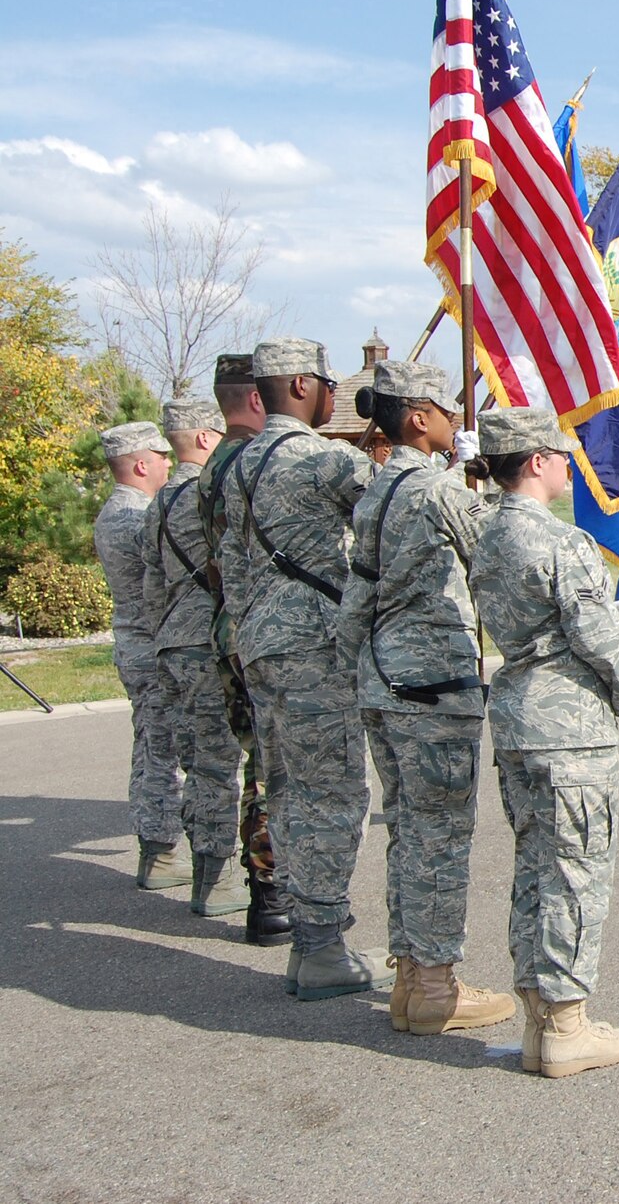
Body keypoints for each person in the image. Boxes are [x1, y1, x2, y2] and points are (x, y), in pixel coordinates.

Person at [468, 407, 619, 1079]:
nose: (567, 464)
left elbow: (545, 621)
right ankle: (566, 1025)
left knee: (535, 870)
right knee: (575, 874)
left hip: (521, 717)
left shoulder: (488, 532)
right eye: (559, 454)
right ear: (534, 462)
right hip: (568, 729)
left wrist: (606, 613)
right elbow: (594, 639)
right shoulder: (560, 541)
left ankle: (539, 1019)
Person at [335, 361, 512, 1037]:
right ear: (417, 417)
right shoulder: (433, 489)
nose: (453, 421)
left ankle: (412, 976)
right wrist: (490, 487)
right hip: (432, 685)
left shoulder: (379, 487)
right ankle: (436, 983)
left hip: (383, 681)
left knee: (408, 832)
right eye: (445, 410)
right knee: (438, 836)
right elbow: (499, 552)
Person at [217, 337, 385, 999]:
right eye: (324, 382)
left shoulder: (240, 465)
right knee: (334, 794)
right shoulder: (321, 460)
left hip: (258, 644)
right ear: (298, 387)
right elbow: (398, 504)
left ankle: (315, 935)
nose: (332, 394)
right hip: (313, 646)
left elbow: (230, 561)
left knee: (286, 790)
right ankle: (321, 947)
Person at [142, 400, 250, 916]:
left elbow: (150, 583)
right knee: (219, 765)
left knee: (197, 763)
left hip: (169, 642)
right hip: (207, 644)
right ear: (208, 438)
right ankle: (221, 878)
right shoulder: (207, 493)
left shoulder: (157, 503)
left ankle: (206, 876)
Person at [199, 354, 289, 944]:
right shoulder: (252, 461)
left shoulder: (215, 464)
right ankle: (273, 894)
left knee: (257, 760)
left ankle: (266, 891)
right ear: (258, 399)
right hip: (263, 629)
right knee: (271, 768)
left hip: (231, 625)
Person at [94, 421, 187, 890]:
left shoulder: (113, 512)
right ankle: (162, 853)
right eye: (161, 454)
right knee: (162, 751)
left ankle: (156, 848)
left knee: (150, 746)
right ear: (140, 463)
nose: (168, 462)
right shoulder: (137, 517)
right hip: (153, 646)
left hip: (134, 645)